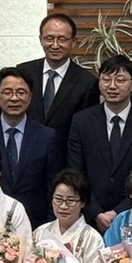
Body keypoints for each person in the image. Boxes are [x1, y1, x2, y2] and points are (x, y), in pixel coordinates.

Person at [67, 54, 132, 231]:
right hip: (89, 219)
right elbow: (76, 172)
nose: (112, 86)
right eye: (106, 80)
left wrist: (118, 212)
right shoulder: (81, 121)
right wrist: (96, 212)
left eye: (120, 80)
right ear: (99, 83)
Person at [0, 67, 64, 227]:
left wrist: (49, 228)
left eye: (21, 92)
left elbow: (53, 186)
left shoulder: (47, 137)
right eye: (7, 92)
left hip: (35, 224)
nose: (14, 98)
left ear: (30, 97)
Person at [16, 12, 101, 156]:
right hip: (23, 157)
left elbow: (87, 132)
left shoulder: (87, 82)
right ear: (41, 39)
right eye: (49, 38)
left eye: (62, 39)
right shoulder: (23, 72)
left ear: (73, 41)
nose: (55, 45)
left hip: (63, 162)